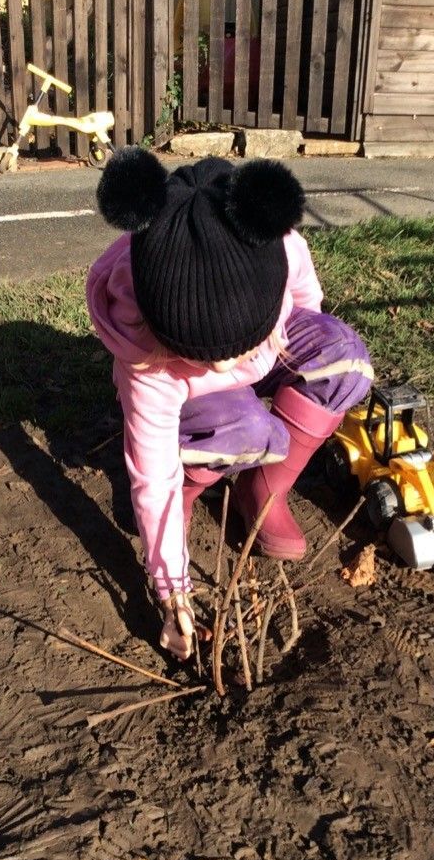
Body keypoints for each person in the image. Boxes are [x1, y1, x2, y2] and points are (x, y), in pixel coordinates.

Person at [87, 148, 373, 661]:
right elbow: (151, 476)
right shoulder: (148, 358)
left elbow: (308, 303)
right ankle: (196, 486)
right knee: (245, 428)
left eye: (236, 348)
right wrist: (172, 591)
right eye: (205, 354)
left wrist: (275, 339)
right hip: (193, 399)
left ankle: (263, 491)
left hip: (275, 338)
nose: (224, 366)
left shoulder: (275, 241)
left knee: (343, 357)